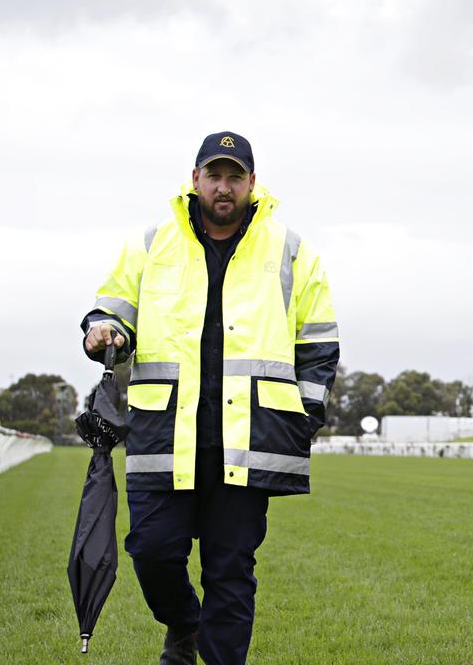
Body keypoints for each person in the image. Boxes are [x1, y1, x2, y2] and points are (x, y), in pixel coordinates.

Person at [80, 132, 339, 665]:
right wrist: (104, 331)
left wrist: (302, 421)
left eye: (235, 177)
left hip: (248, 440)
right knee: (151, 554)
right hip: (162, 434)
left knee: (230, 570)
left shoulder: (292, 250)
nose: (225, 188)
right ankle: (183, 625)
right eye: (214, 176)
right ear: (194, 179)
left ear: (252, 182)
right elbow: (111, 311)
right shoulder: (151, 243)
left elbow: (319, 345)